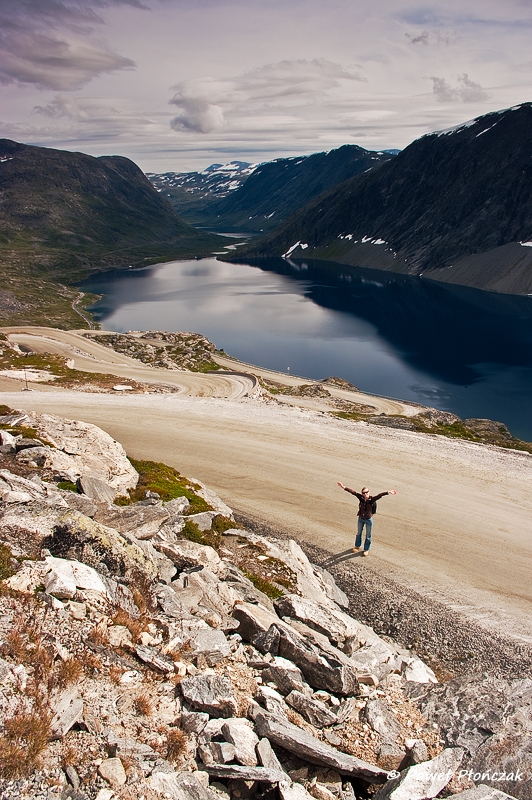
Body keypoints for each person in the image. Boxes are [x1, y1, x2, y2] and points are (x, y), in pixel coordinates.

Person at [337, 481, 397, 556]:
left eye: (366, 492)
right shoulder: (361, 498)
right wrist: (343, 487)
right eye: (364, 493)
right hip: (361, 519)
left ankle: (366, 549)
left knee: (368, 536)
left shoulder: (372, 500)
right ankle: (357, 546)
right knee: (359, 533)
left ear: (369, 492)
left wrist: (388, 492)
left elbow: (379, 495)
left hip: (368, 520)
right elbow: (353, 492)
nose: (365, 494)